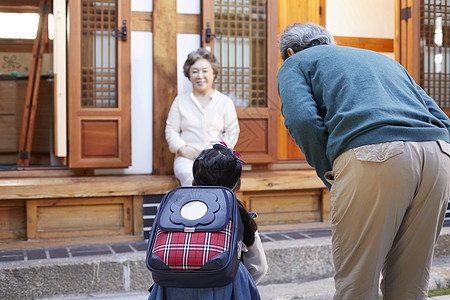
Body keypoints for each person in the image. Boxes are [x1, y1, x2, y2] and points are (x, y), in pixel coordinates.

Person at [277, 22, 450, 300]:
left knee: (357, 282)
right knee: (411, 284)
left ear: (289, 51)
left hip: (375, 156)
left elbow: (302, 120)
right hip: (439, 157)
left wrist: (331, 172)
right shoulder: (385, 60)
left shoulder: (295, 62)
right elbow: (442, 119)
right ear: (329, 42)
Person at [148, 143, 268, 300]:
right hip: (225, 286)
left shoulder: (172, 207)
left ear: (193, 181)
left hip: (172, 288)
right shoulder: (238, 214)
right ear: (238, 185)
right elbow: (259, 267)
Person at [165, 48, 240, 186]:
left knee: (219, 181)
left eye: (205, 71)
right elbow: (171, 131)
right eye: (195, 71)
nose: (200, 76)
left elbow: (232, 133)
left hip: (218, 159)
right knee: (190, 179)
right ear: (189, 75)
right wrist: (185, 150)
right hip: (187, 159)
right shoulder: (180, 101)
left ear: (213, 73)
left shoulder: (224, 102)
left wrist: (213, 152)